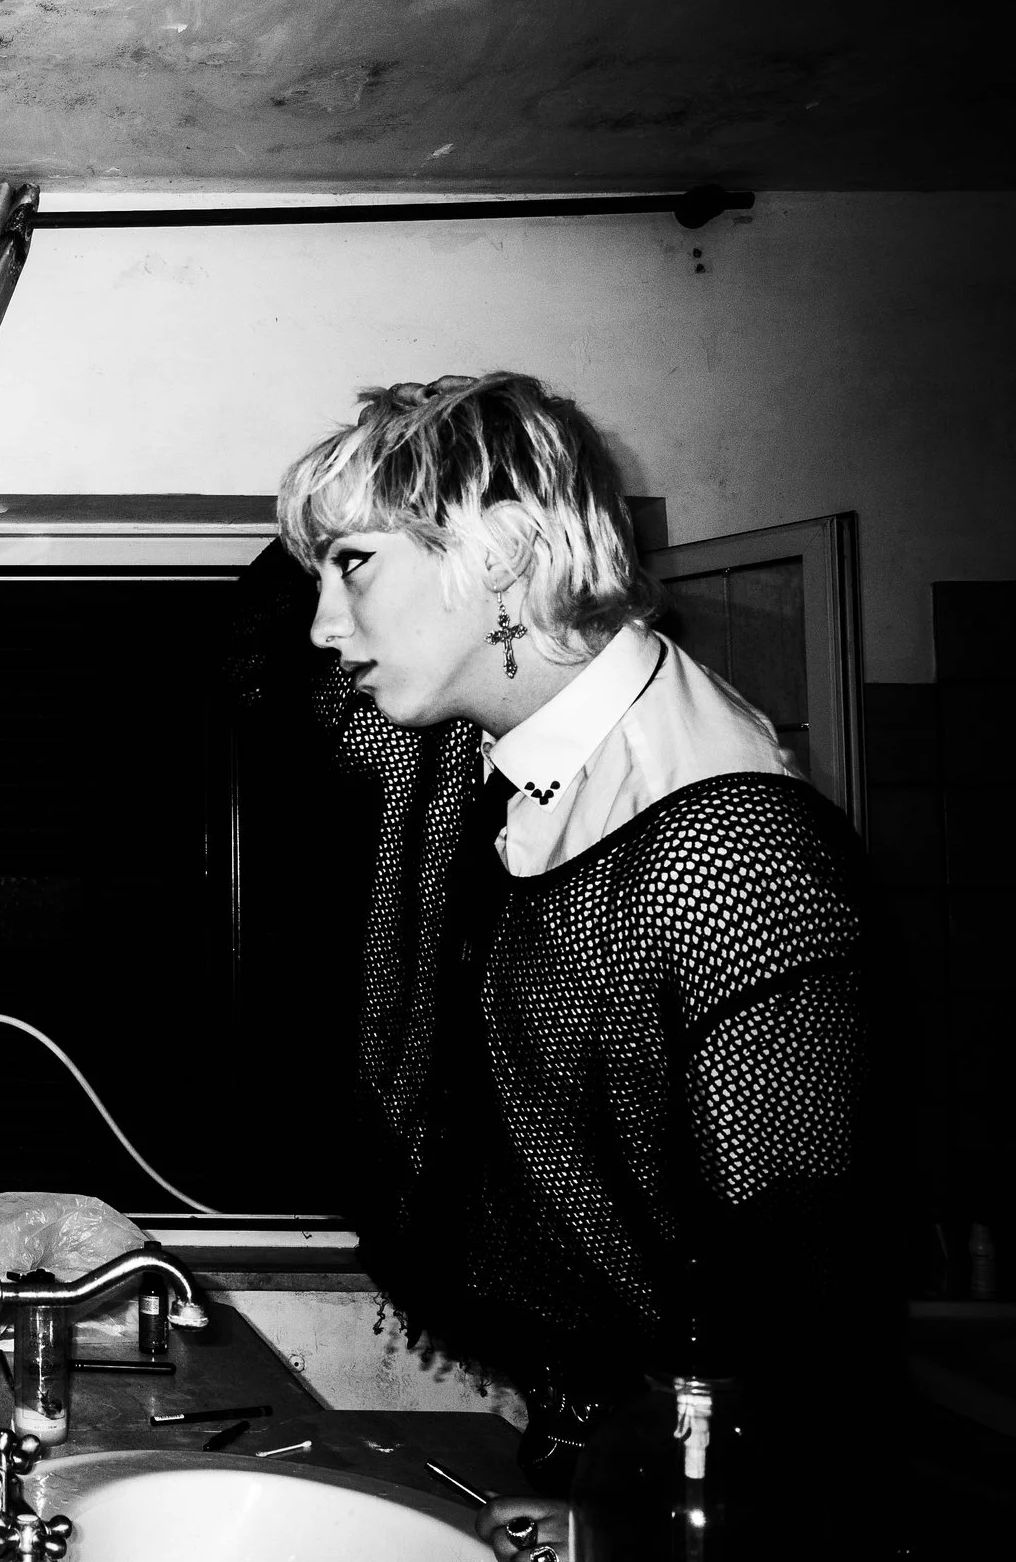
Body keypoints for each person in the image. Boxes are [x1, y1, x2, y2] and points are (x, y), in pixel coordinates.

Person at [275, 373, 885, 1557]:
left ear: (501, 552)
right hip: (585, 1451)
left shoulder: (727, 854)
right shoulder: (490, 737)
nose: (323, 623)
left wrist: (624, 1512)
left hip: (696, 1504)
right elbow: (274, 656)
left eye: (352, 565)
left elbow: (800, 1310)